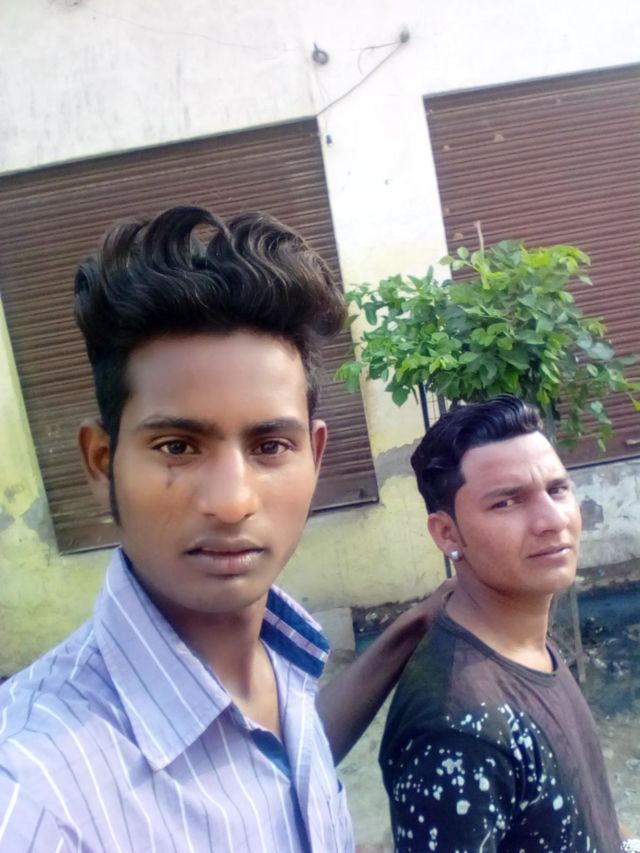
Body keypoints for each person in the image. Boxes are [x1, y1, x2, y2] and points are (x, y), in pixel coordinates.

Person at [0, 206, 445, 852]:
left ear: (316, 456)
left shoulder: (285, 656)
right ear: (102, 463)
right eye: (178, 447)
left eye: (270, 446)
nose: (233, 502)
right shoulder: (33, 797)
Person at [379, 395, 637, 853]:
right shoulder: (458, 728)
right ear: (447, 533)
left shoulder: (523, 637)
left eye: (557, 489)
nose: (551, 520)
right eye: (507, 502)